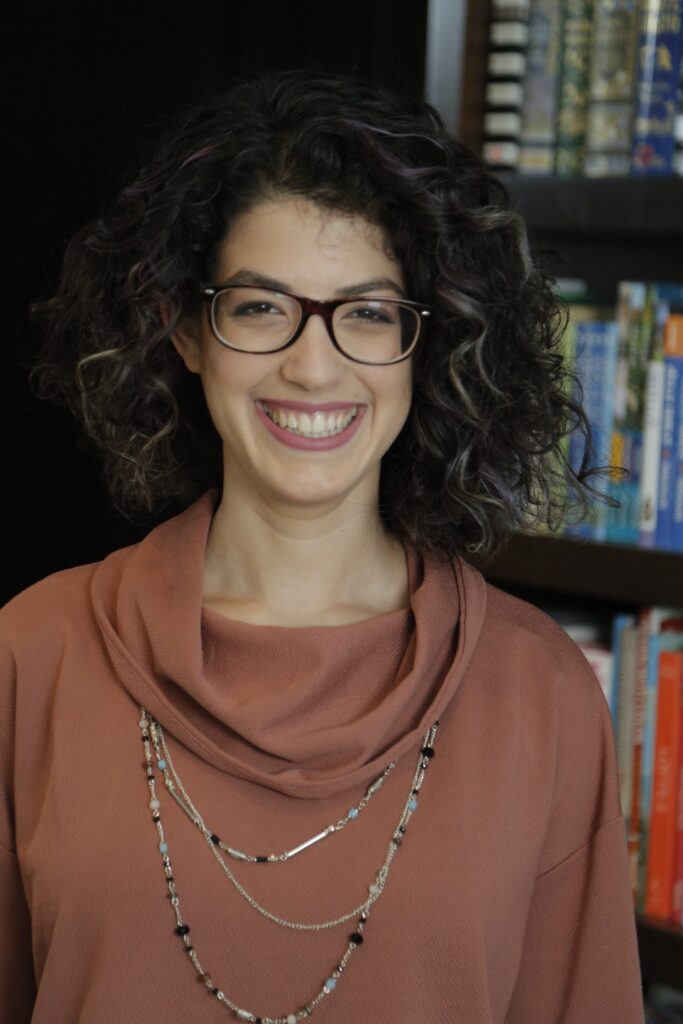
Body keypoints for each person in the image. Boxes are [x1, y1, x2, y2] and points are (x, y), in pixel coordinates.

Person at [1, 68, 645, 1024]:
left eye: (368, 313)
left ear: (429, 347)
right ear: (186, 331)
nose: (312, 366)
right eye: (260, 307)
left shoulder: (537, 689)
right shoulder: (33, 652)